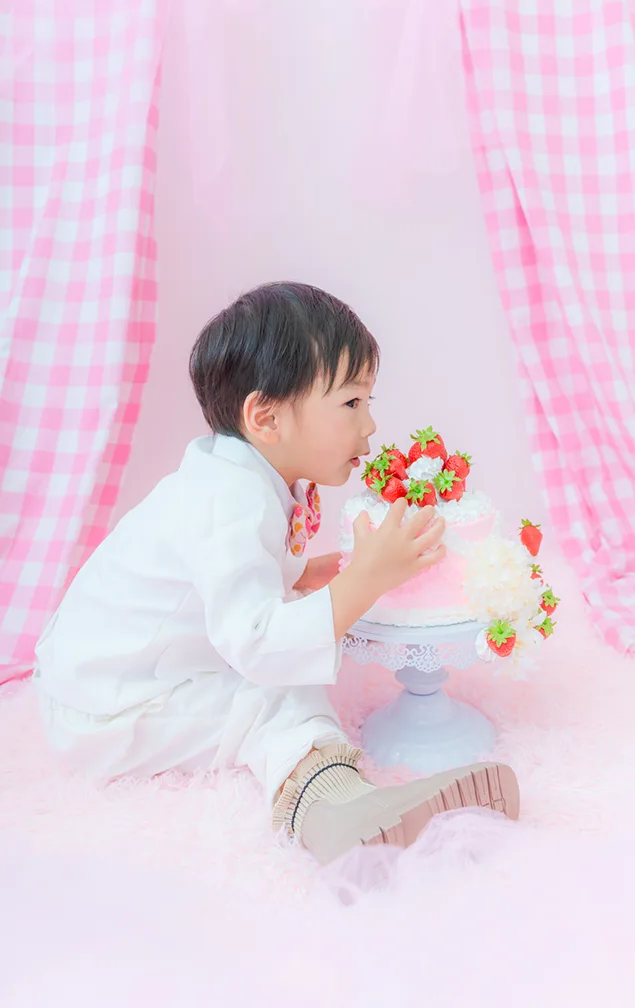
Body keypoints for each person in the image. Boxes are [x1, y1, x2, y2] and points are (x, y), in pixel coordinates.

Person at [34, 282, 519, 865]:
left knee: (284, 677)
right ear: (266, 417)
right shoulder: (229, 501)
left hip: (115, 677)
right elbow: (259, 644)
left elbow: (228, 576)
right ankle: (336, 811)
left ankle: (351, 806)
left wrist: (302, 575)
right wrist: (363, 581)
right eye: (351, 403)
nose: (369, 425)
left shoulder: (238, 478)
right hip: (107, 711)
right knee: (272, 698)